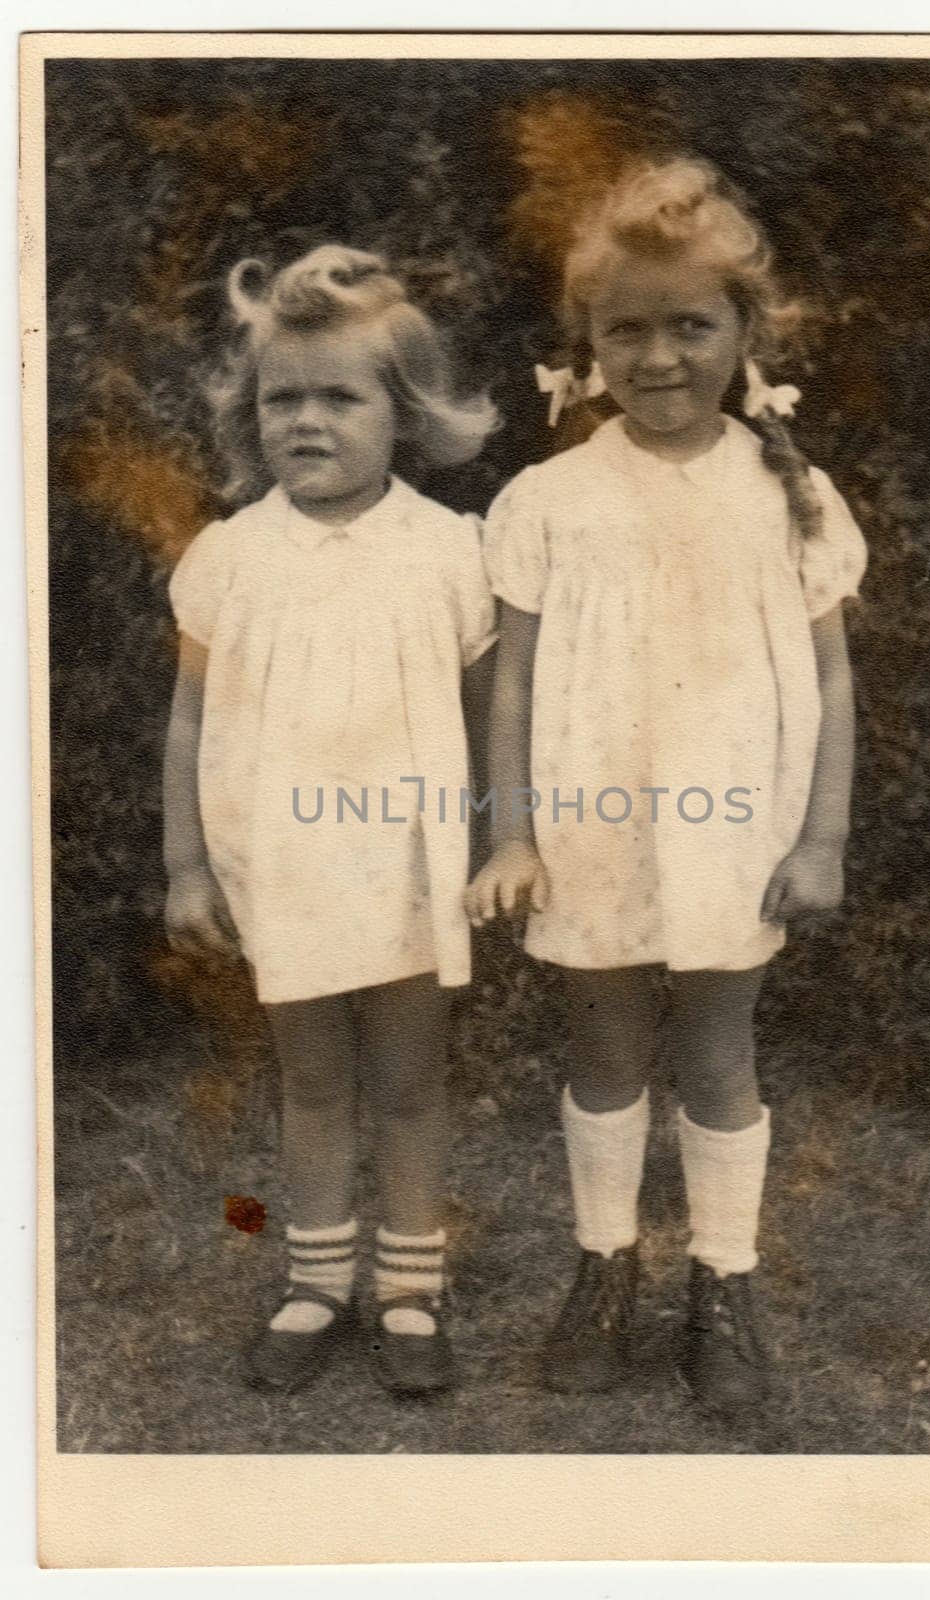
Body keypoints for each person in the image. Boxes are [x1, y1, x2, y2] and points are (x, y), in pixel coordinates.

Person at [465, 156, 867, 1416]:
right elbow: (514, 683)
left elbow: (832, 683)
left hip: (735, 826)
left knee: (715, 1047)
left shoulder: (786, 494)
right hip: (587, 823)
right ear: (584, 345)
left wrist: (821, 841)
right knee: (602, 1048)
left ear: (745, 332)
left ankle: (723, 1282)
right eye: (623, 329)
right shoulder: (548, 497)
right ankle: (602, 1268)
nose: (656, 358)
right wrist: (512, 832)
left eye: (689, 325)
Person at [164, 244, 498, 1397]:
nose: (305, 420)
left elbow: (479, 717)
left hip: (408, 868)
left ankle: (409, 1291)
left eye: (338, 396)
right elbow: (189, 719)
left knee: (407, 1081)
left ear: (402, 415)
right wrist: (187, 869)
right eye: (280, 397)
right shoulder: (228, 557)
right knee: (310, 1082)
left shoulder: (452, 551)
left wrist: (496, 841)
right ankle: (312, 1280)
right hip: (286, 868)